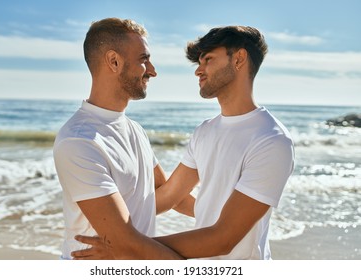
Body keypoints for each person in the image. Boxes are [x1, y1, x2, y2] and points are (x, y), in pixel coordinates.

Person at [72, 25, 295, 260]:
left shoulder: (271, 140)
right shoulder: (205, 131)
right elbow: (171, 196)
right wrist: (105, 218)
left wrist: (127, 247)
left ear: (239, 59)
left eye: (208, 59)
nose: (198, 71)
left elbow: (223, 239)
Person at [53, 17, 189, 260]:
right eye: (144, 60)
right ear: (114, 61)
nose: (153, 71)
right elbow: (125, 242)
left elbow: (166, 195)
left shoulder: (135, 129)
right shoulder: (78, 141)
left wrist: (225, 219)